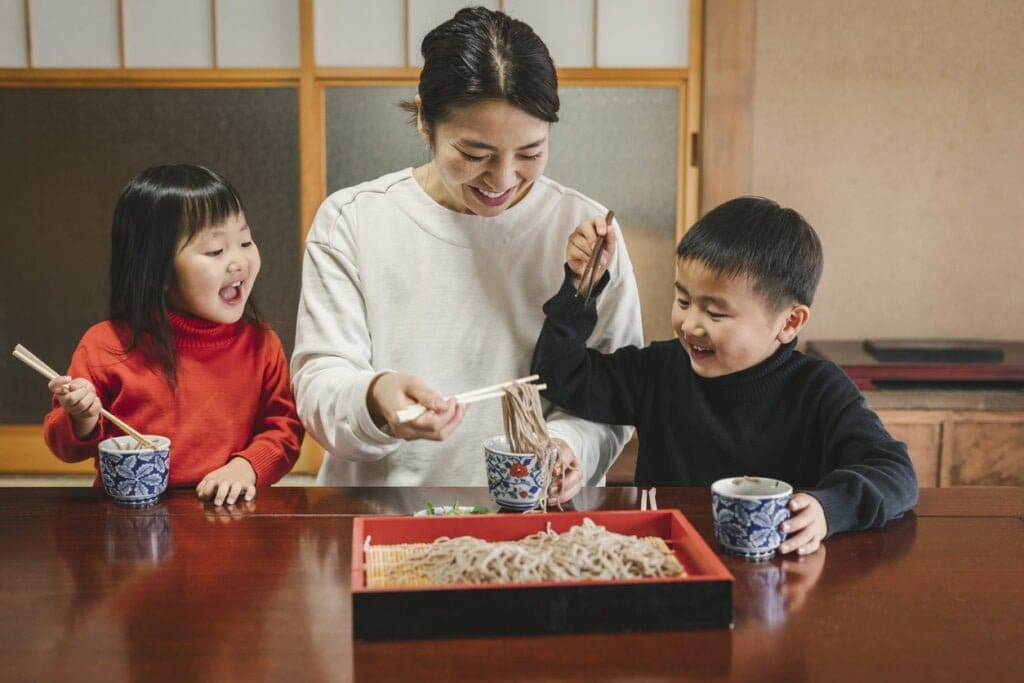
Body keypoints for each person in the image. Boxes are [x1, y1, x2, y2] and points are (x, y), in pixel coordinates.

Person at [291, 7, 643, 501]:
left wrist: (570, 446)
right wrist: (375, 398)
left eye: (529, 152)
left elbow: (617, 387)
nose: (501, 180)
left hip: (536, 528)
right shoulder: (353, 220)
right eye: (474, 154)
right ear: (424, 122)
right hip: (380, 521)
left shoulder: (586, 231)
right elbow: (319, 385)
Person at [531, 196, 918, 554]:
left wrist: (827, 508)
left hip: (779, 573)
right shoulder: (661, 369)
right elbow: (560, 375)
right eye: (683, 301)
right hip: (669, 558)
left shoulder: (818, 388)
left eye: (716, 313)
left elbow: (894, 472)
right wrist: (580, 288)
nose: (691, 325)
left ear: (789, 322)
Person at [43, 164, 303, 506]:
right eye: (215, 251)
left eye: (244, 241)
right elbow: (63, 446)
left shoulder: (260, 343)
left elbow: (283, 429)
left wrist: (246, 467)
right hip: (127, 522)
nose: (239, 261)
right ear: (158, 272)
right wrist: (82, 418)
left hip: (227, 516)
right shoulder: (104, 346)